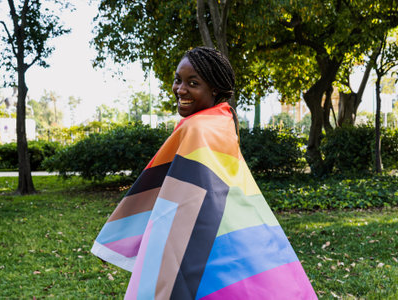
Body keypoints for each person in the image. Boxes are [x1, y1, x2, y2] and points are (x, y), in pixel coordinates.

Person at [91, 47, 317, 299]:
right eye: (178, 79)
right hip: (234, 233)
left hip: (207, 235)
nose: (180, 89)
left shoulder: (198, 127)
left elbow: (179, 196)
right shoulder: (221, 119)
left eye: (193, 83)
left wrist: (126, 236)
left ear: (215, 90)